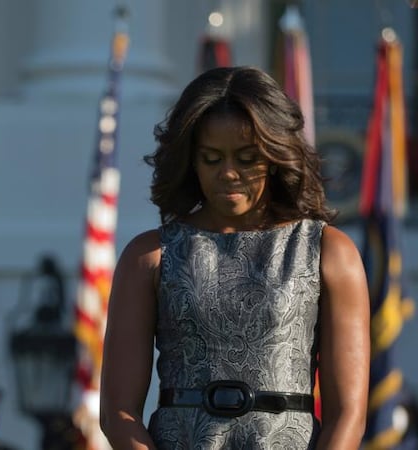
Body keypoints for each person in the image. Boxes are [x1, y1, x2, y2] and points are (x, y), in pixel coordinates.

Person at [99, 66, 370, 449]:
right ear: (190, 159)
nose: (228, 174)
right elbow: (117, 413)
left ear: (275, 157)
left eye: (246, 159)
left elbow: (349, 417)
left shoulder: (330, 252)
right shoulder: (148, 256)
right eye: (212, 158)